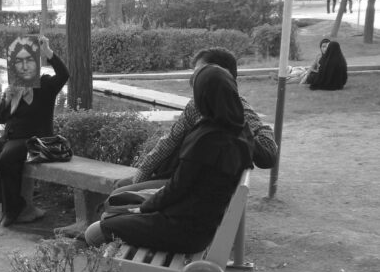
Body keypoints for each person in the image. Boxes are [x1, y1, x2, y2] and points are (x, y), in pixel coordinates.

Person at [85, 64, 254, 254]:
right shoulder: (240, 131)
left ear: (202, 97)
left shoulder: (207, 138)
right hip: (196, 223)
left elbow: (177, 189)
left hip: (181, 229)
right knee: (117, 208)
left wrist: (143, 209)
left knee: (95, 232)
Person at [120, 47, 276, 192]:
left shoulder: (238, 110)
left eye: (201, 73)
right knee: (121, 185)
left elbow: (268, 153)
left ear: (222, 76)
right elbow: (169, 140)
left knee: (118, 193)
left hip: (186, 186)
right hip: (179, 179)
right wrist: (143, 172)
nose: (194, 80)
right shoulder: (197, 106)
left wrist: (235, 125)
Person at [0, 35, 69, 227]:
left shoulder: (46, 85)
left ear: (36, 63)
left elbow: (64, 75)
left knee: (5, 159)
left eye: (29, 60)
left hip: (35, 140)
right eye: (19, 62)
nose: (24, 66)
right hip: (10, 138)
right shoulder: (14, 89)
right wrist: (7, 99)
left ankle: (14, 209)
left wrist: (48, 52)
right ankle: (0, 199)